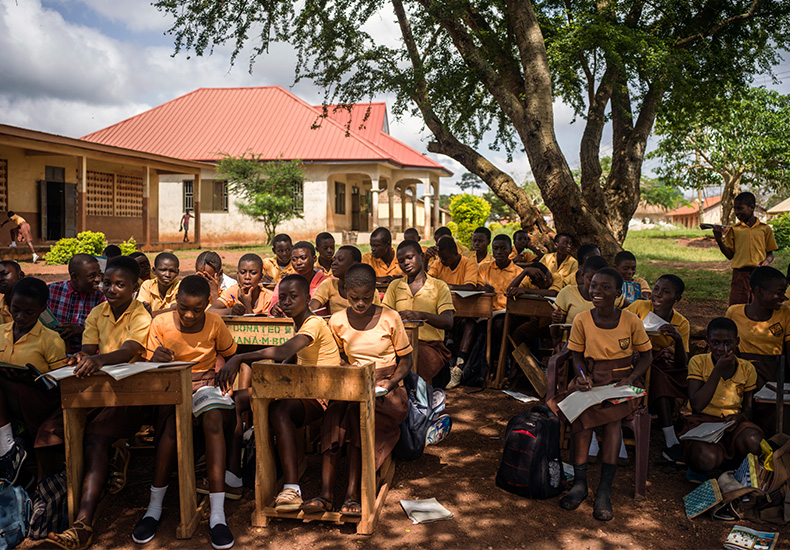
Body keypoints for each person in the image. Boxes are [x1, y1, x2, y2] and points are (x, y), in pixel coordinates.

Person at [48, 256, 152, 550]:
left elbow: (130, 350)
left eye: (121, 285)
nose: (112, 289)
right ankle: (53, 509)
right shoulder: (97, 312)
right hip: (99, 392)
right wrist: (82, 357)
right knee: (56, 429)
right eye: (108, 282)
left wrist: (97, 359)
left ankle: (83, 524)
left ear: (135, 287)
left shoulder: (140, 315)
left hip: (132, 396)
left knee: (94, 440)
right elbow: (88, 348)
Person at [217, 274, 341, 511]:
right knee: (236, 400)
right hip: (300, 389)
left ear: (307, 298)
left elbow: (285, 349)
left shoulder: (313, 323)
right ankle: (233, 475)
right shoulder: (298, 323)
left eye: (293, 297)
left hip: (320, 395)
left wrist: (241, 357)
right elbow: (292, 356)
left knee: (279, 410)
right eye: (282, 297)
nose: (286, 302)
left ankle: (291, 489)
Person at [132, 275, 238, 549]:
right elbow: (148, 360)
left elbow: (228, 352)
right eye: (183, 308)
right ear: (176, 301)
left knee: (213, 419)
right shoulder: (161, 322)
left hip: (205, 385)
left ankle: (217, 514)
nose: (189, 315)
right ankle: (153, 508)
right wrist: (154, 358)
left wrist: (222, 365)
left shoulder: (215, 322)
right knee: (171, 430)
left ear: (208, 304)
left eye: (197, 309)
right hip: (171, 386)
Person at [301, 263, 411, 515]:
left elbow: (406, 360)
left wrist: (391, 382)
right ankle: (326, 493)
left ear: (376, 291)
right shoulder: (338, 320)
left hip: (387, 392)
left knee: (355, 417)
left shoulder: (390, 317)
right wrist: (345, 368)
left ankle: (353, 494)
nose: (360, 303)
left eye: (366, 297)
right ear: (345, 292)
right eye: (354, 298)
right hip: (351, 385)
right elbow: (335, 356)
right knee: (333, 416)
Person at [549, 268, 653, 521]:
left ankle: (604, 490)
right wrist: (582, 375)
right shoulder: (583, 319)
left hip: (622, 384)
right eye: (594, 285)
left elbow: (647, 355)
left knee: (613, 421)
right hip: (592, 381)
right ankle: (580, 483)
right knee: (580, 418)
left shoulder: (631, 320)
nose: (597, 291)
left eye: (605, 288)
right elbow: (576, 355)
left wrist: (629, 378)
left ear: (618, 293)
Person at [0, 277, 66, 484]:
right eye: (15, 309)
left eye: (28, 312)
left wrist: (28, 379)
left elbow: (60, 382)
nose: (20, 316)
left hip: (38, 401)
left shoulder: (50, 339)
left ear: (42, 309)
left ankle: (6, 448)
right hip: (6, 401)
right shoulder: (1, 332)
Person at [683, 317, 762, 482]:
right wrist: (717, 371)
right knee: (707, 458)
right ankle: (705, 467)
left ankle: (735, 470)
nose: (721, 348)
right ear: (707, 342)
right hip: (703, 423)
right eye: (715, 343)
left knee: (754, 441)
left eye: (728, 343)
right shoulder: (698, 362)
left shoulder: (747, 368)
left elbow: (748, 410)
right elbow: (697, 405)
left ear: (737, 342)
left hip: (733, 424)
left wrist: (740, 417)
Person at [626, 275, 689, 464]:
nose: (658, 295)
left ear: (677, 298)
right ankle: (669, 437)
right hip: (633, 356)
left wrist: (677, 339)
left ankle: (669, 438)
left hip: (658, 361)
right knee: (655, 376)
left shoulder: (681, 323)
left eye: (666, 292)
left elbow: (681, 363)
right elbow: (619, 324)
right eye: (656, 289)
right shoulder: (639, 307)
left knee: (660, 377)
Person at [725, 266, 790, 435]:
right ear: (759, 291)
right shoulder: (734, 312)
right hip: (742, 372)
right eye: (779, 292)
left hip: (772, 375)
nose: (784, 297)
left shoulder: (785, 313)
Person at [383, 240, 454, 384]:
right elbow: (384, 316)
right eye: (401, 261)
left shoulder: (439, 286)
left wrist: (421, 315)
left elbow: (448, 321)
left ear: (421, 256)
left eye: (410, 257)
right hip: (400, 344)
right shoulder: (395, 286)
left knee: (416, 355)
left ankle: (420, 396)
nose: (406, 263)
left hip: (429, 346)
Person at [426, 236, 478, 388]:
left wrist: (442, 286)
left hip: (463, 314)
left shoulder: (469, 264)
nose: (442, 261)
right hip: (443, 313)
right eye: (440, 258)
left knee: (470, 325)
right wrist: (424, 260)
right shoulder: (438, 263)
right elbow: (426, 282)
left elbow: (469, 287)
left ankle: (459, 367)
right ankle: (439, 366)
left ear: (455, 253)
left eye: (446, 258)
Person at [713, 192, 777, 306]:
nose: (737, 212)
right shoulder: (734, 230)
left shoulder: (765, 229)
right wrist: (719, 240)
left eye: (740, 208)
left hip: (760, 275)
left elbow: (770, 254)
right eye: (735, 209)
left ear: (751, 207)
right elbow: (729, 255)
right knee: (738, 307)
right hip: (740, 275)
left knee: (759, 305)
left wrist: (766, 261)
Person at [48, 254, 105, 352]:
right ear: (74, 277)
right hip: (53, 352)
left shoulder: (101, 298)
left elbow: (105, 336)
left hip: (86, 355)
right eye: (92, 276)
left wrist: (81, 331)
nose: (98, 280)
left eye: (99, 274)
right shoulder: (52, 291)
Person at [310, 246, 381, 315]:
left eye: (340, 260)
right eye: (334, 259)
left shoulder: (371, 291)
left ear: (355, 264)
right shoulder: (329, 284)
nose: (334, 263)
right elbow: (313, 305)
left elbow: (377, 314)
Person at [269, 242, 331, 316]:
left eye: (303, 258)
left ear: (314, 259)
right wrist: (275, 309)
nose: (298, 263)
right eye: (294, 259)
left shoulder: (328, 282)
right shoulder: (285, 283)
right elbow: (274, 304)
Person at [478, 234, 521, 312]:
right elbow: (478, 286)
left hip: (508, 311)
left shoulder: (519, 272)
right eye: (495, 248)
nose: (499, 252)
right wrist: (482, 289)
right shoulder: (483, 268)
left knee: (499, 323)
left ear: (510, 250)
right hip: (486, 310)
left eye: (503, 249)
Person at [137, 252, 180, 316]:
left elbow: (176, 310)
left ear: (177, 272)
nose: (167, 275)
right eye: (163, 270)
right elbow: (141, 310)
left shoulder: (180, 287)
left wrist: (151, 314)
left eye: (172, 271)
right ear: (154, 271)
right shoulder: (147, 285)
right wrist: (170, 310)